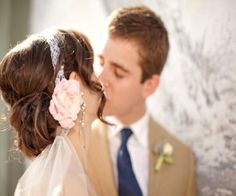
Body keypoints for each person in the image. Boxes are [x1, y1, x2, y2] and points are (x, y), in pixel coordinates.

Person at [87, 5, 196, 196]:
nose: (100, 79)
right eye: (101, 63)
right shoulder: (74, 143)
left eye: (118, 73)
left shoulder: (182, 159)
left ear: (149, 86)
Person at [0, 28, 106, 195]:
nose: (100, 78)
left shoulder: (53, 176)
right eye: (91, 67)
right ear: (74, 84)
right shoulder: (69, 184)